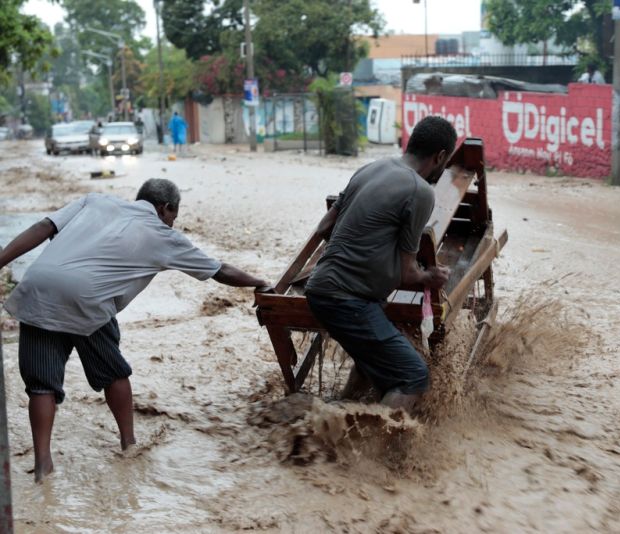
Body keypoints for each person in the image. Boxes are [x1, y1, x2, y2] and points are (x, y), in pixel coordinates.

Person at [0, 179, 268, 482]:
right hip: (88, 298)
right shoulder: (163, 235)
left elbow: (42, 227)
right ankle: (129, 445)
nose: (172, 223)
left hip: (38, 286)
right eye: (174, 216)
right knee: (113, 372)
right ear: (166, 208)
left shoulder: (95, 201)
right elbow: (220, 270)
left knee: (41, 384)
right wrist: (259, 282)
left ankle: (43, 466)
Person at [304, 116, 456, 413]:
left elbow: (324, 228)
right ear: (440, 157)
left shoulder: (372, 168)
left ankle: (337, 420)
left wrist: (364, 248)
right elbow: (407, 273)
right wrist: (430, 276)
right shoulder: (420, 191)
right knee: (413, 376)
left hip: (320, 288)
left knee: (372, 362)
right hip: (348, 300)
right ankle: (372, 440)